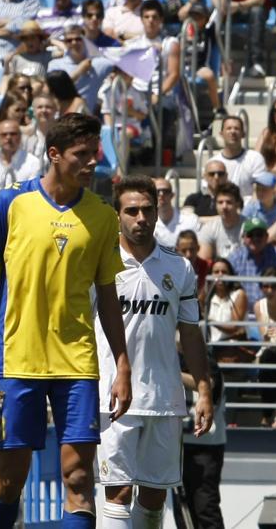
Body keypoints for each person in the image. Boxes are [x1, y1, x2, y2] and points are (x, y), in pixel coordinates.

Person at [0, 113, 132, 528]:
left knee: (78, 476)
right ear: (54, 155)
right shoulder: (10, 202)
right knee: (10, 478)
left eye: (96, 153)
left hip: (77, 363)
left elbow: (108, 295)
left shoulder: (104, 216)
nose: (93, 162)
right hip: (17, 359)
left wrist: (122, 364)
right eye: (83, 154)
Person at [98, 176, 212, 529]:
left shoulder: (178, 267)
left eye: (147, 210)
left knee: (154, 497)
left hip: (164, 397)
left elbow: (191, 334)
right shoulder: (99, 264)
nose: (141, 218)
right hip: (113, 397)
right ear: (117, 215)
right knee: (117, 493)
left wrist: (204, 390)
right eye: (131, 211)